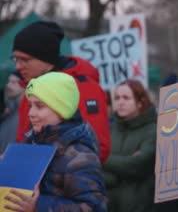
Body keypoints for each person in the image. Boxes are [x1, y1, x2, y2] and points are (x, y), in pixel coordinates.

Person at [3, 72, 107, 211]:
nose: (30, 113)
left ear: (61, 110)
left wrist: (38, 206)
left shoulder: (79, 155)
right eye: (30, 105)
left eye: (39, 106)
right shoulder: (32, 141)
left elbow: (93, 207)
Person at [11, 21, 110, 162]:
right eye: (16, 58)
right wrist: (13, 159)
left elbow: (97, 148)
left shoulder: (84, 88)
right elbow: (23, 139)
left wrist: (41, 168)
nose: (18, 66)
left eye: (24, 60)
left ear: (46, 58)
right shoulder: (32, 87)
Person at [103, 79, 156, 212]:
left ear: (140, 102)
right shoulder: (109, 129)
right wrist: (122, 166)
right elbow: (96, 167)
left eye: (126, 98)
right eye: (117, 98)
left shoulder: (153, 130)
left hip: (140, 206)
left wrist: (103, 159)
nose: (120, 102)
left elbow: (137, 165)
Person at [0, 71, 24, 154]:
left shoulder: (28, 113)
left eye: (14, 82)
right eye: (8, 82)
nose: (8, 85)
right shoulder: (9, 111)